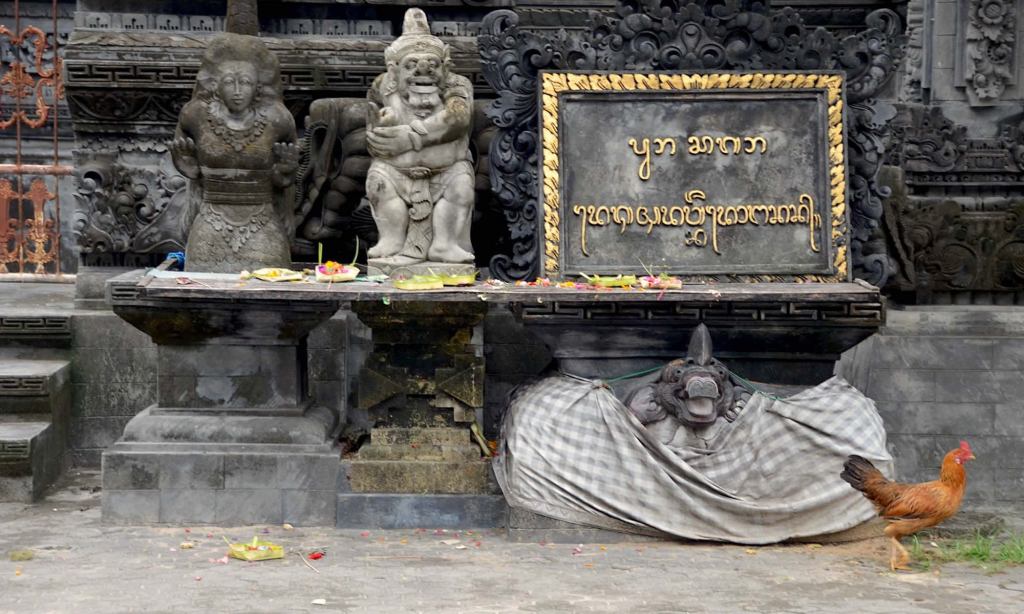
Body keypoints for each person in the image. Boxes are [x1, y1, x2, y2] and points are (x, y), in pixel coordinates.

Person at [169, 33, 298, 272]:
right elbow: (192, 171)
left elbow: (284, 182)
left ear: (258, 87)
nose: (238, 90)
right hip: (211, 220)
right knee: (203, 288)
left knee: (270, 284)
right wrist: (188, 168)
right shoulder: (195, 116)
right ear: (216, 85)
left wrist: (285, 172)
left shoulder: (277, 119)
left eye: (246, 82)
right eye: (230, 82)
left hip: (261, 222)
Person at [364, 8, 475, 267]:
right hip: (396, 171)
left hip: (447, 170)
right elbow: (372, 128)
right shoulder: (383, 86)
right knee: (378, 181)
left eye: (432, 65)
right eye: (411, 65)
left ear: (445, 67)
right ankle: (392, 240)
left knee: (461, 186)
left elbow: (458, 119)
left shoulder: (457, 85)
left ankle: (445, 244)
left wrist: (411, 137)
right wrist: (381, 127)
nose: (422, 71)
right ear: (394, 70)